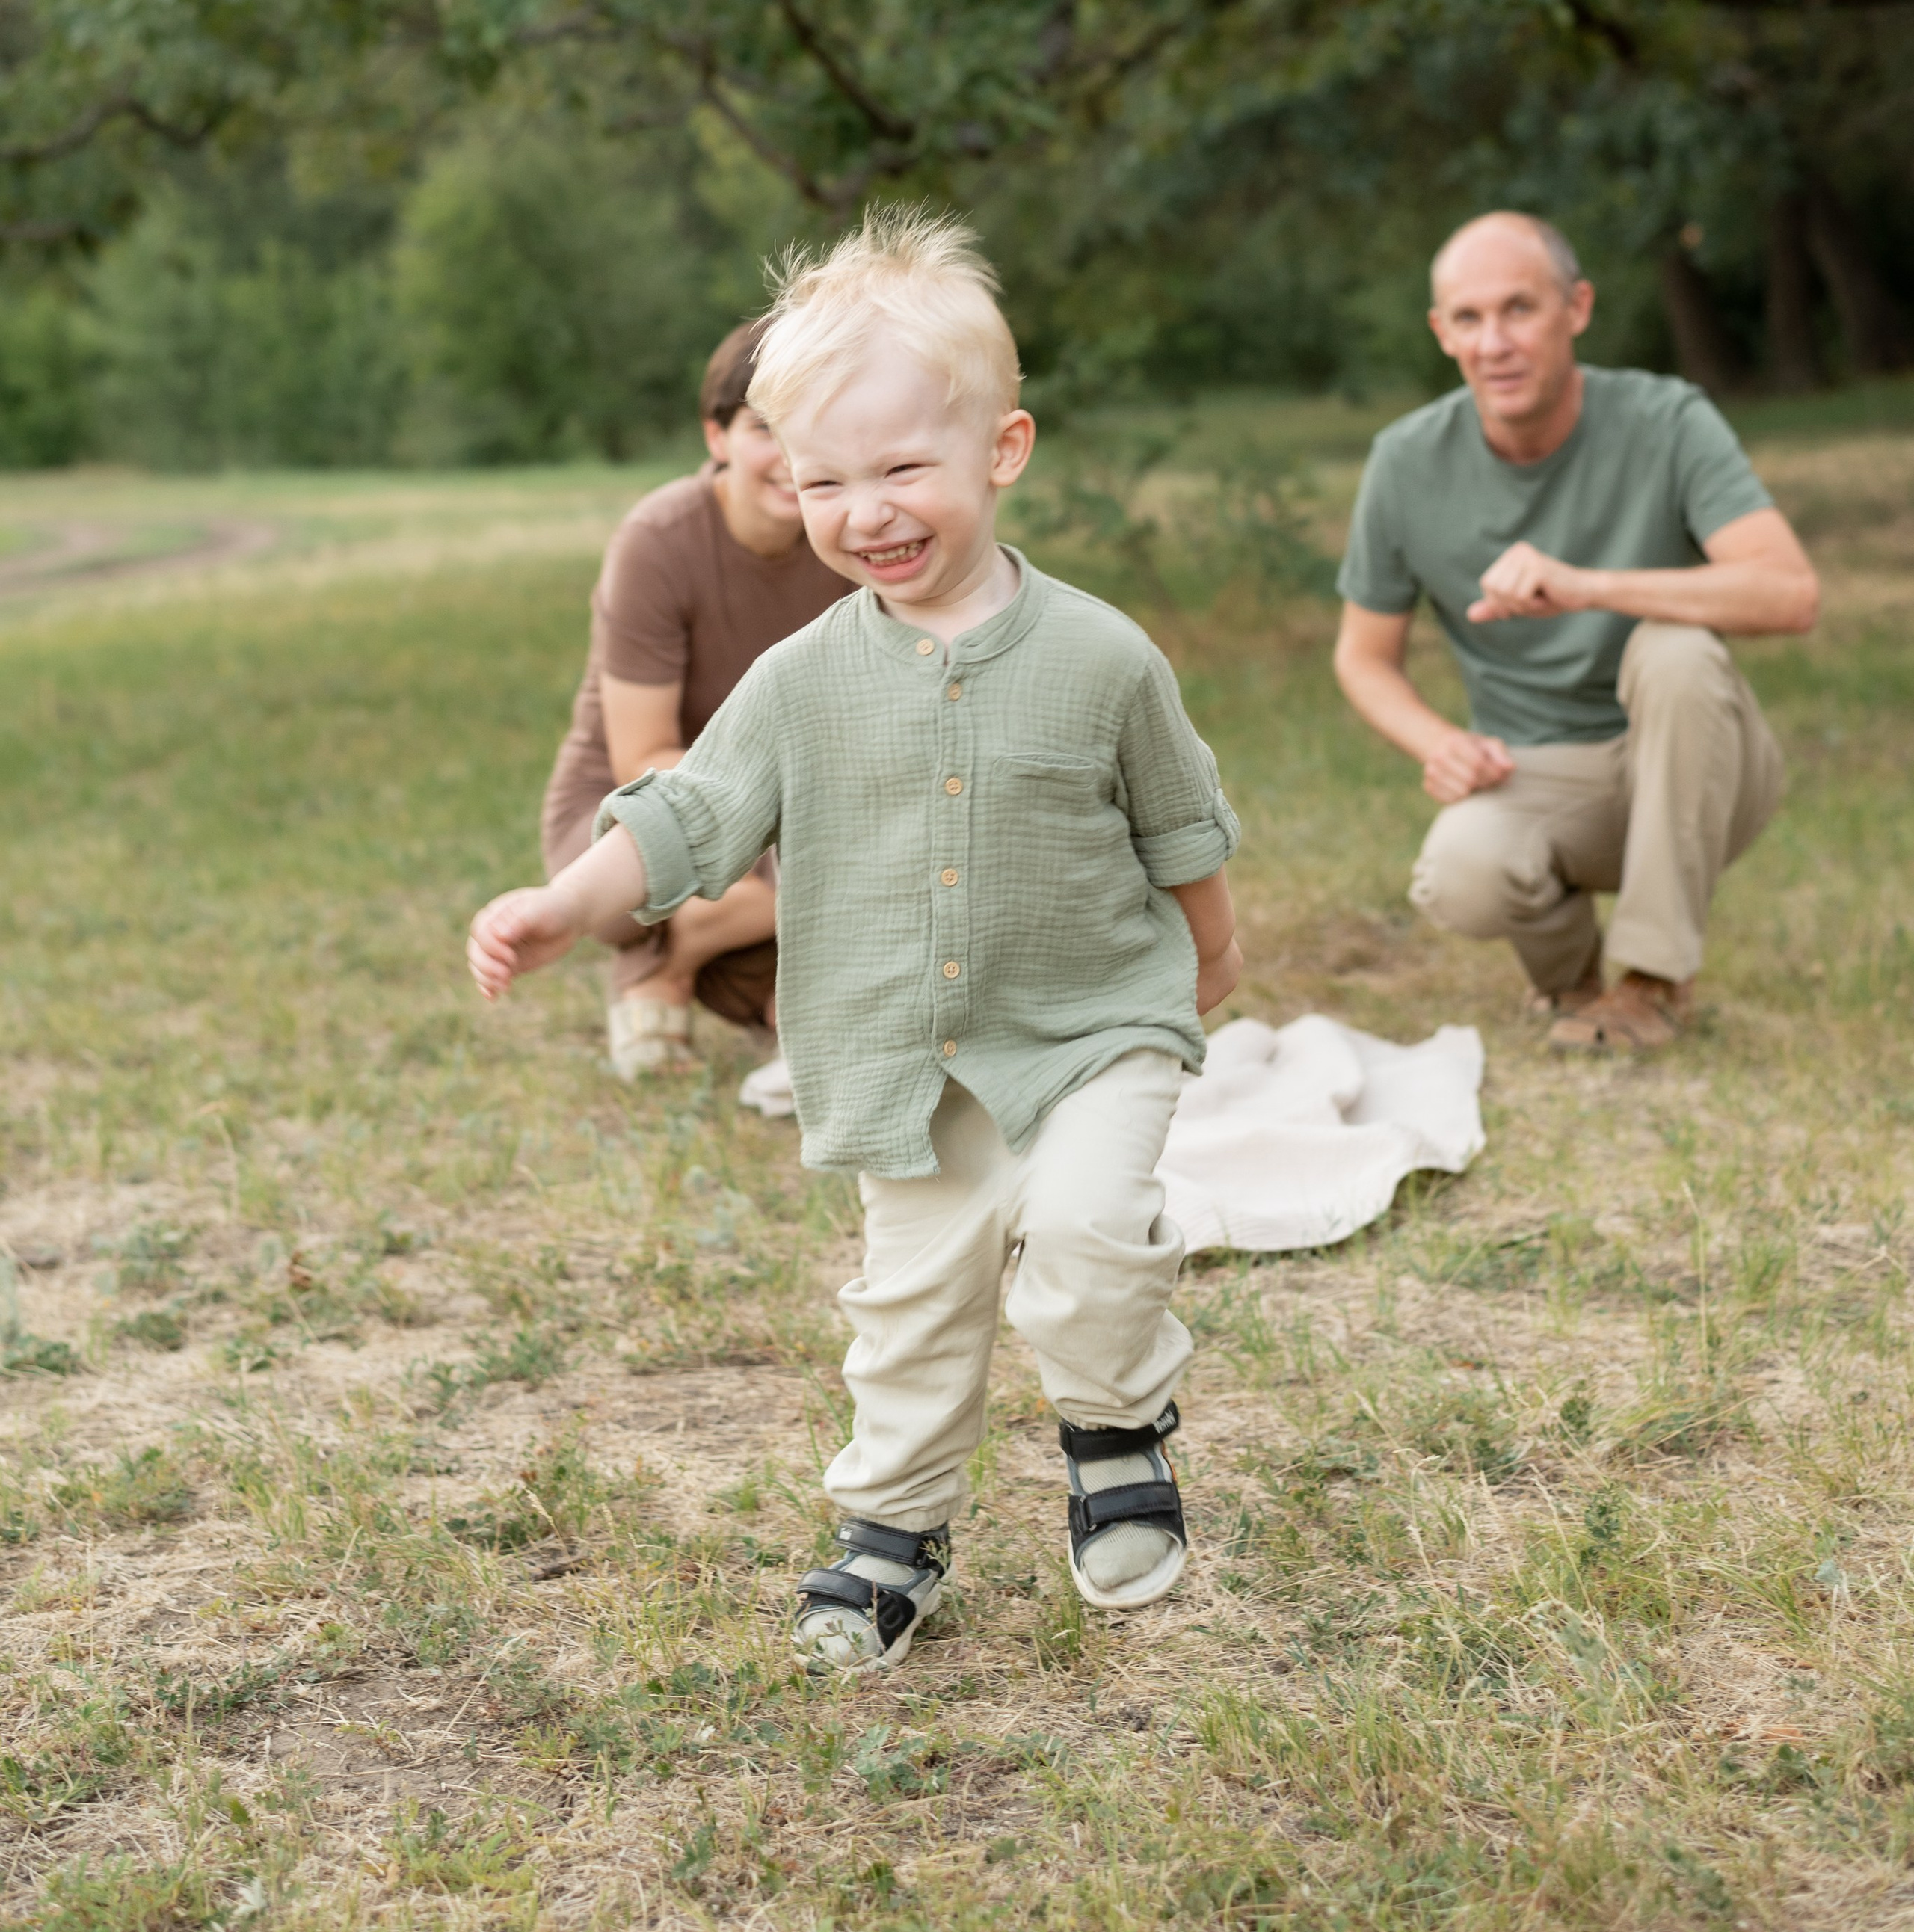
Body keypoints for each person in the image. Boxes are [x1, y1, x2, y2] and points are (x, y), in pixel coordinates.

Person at [471, 209, 1242, 1671]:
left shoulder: (1098, 654)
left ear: (999, 452)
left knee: (1080, 1235)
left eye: (900, 470)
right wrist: (568, 903)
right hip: (902, 1058)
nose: (862, 511)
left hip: (1093, 1024)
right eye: (820, 481)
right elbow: (686, 813)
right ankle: (895, 1528)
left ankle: (1116, 1427)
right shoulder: (798, 678)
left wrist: (1209, 951)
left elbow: (1179, 821)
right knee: (910, 1306)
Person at [1332, 211, 1818, 1054]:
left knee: (1674, 646)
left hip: (1701, 761)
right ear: (1441, 332)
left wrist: (1589, 587)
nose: (1495, 342)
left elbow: (1789, 592)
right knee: (1459, 875)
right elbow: (1363, 657)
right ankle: (1574, 984)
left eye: (1520, 308)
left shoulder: (1667, 420)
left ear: (1577, 308)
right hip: (1544, 768)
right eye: (1470, 319)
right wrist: (1437, 741)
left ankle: (1652, 983)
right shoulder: (1405, 462)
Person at [540, 317, 848, 1083]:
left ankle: (680, 958)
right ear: (716, 435)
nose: (789, 457)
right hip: (632, 805)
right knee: (835, 886)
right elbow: (643, 756)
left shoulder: (852, 533)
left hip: (790, 809)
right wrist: (800, 824)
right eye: (762, 429)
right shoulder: (660, 540)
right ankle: (657, 964)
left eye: (813, 429)